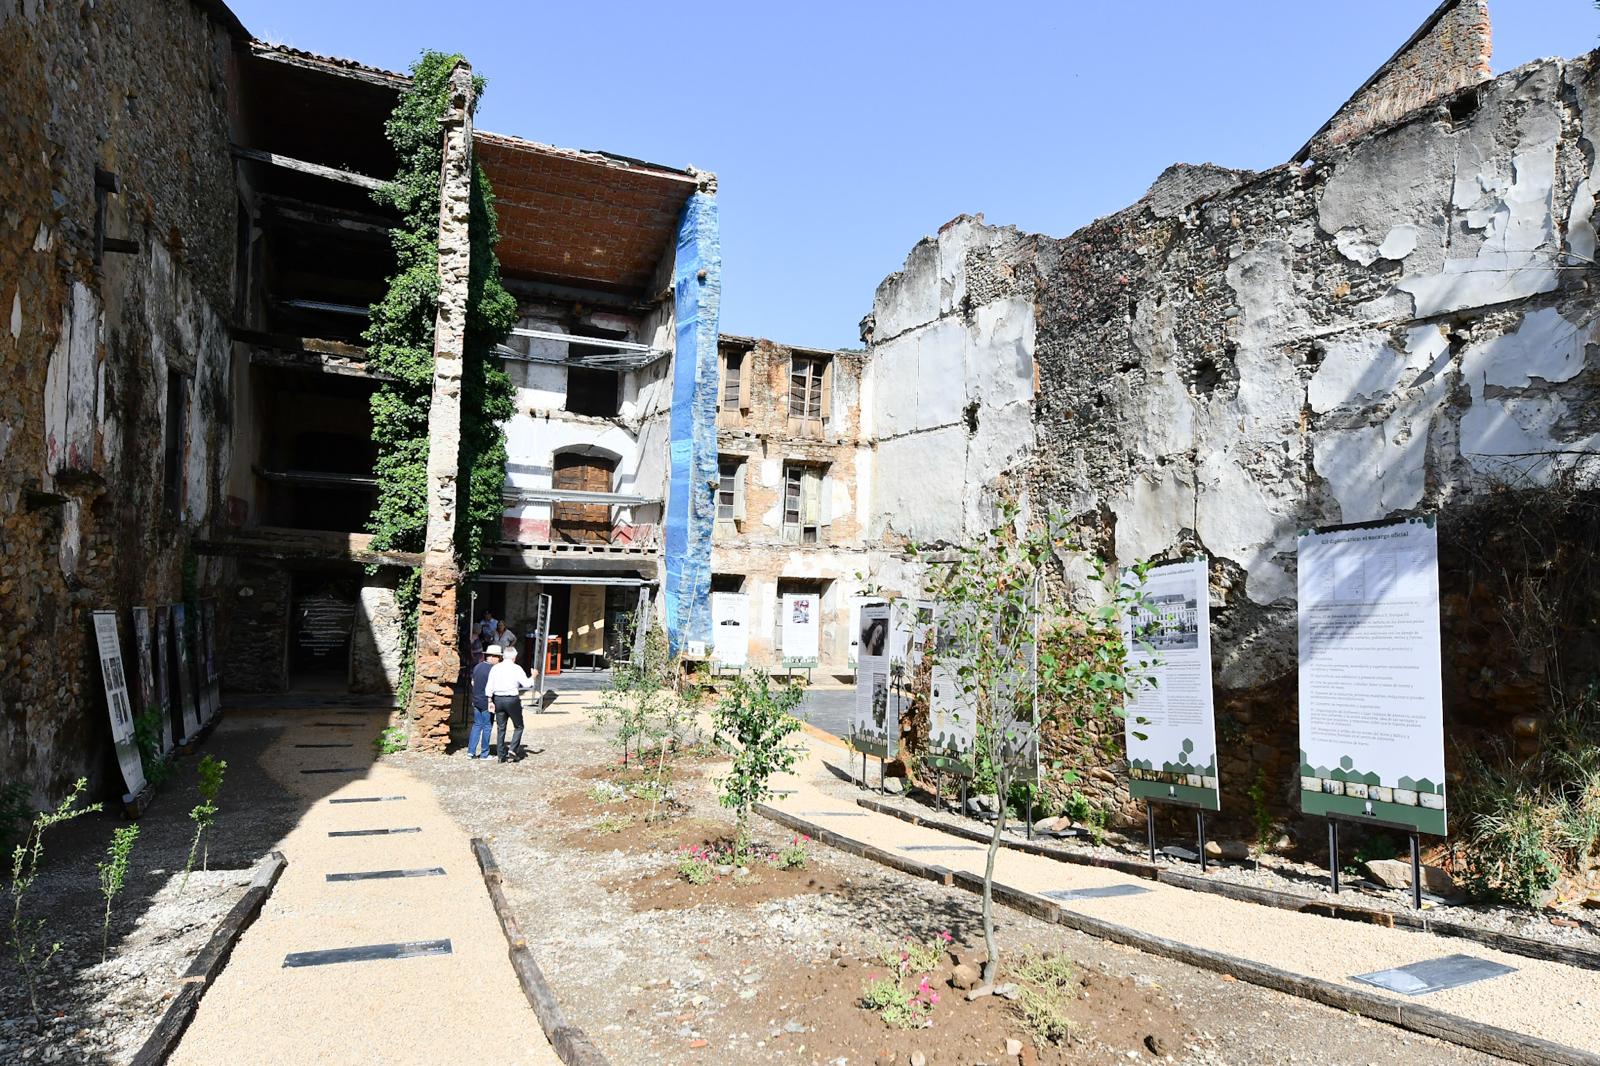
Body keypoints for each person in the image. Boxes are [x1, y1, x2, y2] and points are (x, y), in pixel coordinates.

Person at [486, 646, 541, 762]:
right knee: (519, 726)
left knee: (501, 727)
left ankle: (501, 755)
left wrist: (490, 701)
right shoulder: (516, 668)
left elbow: (489, 686)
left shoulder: (495, 668)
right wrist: (533, 676)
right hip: (511, 699)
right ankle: (513, 749)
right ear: (514, 657)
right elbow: (526, 684)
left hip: (498, 699)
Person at [466, 644, 499, 760]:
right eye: (498, 657)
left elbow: (473, 682)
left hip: (476, 700)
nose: (499, 660)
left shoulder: (477, 667)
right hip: (486, 702)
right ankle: (484, 753)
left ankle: (471, 751)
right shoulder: (493, 670)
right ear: (493, 657)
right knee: (487, 727)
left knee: (476, 725)